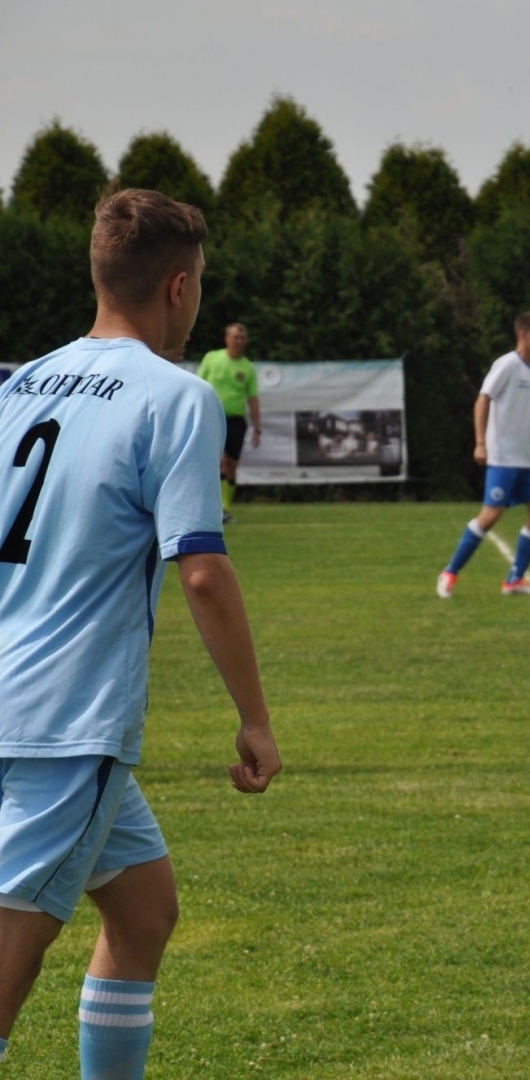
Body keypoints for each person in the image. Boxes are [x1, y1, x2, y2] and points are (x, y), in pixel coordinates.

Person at [0, 188, 281, 1078]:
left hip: (18, 698)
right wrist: (255, 717)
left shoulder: (21, 384)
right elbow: (201, 569)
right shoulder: (178, 395)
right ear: (178, 286)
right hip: (62, 723)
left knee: (144, 909)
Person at [436, 313, 530, 597]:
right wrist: (480, 442)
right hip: (504, 456)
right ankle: (450, 572)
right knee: (490, 516)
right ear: (523, 335)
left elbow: (525, 406)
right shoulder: (506, 365)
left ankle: (514, 580)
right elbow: (483, 399)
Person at [195, 322, 260, 523]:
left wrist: (258, 428)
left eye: (242, 337)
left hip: (235, 421)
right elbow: (198, 385)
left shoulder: (247, 367)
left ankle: (225, 508)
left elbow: (253, 399)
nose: (238, 341)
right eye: (235, 337)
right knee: (216, 463)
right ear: (227, 339)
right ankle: (210, 507)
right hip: (212, 417)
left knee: (231, 465)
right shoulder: (212, 358)